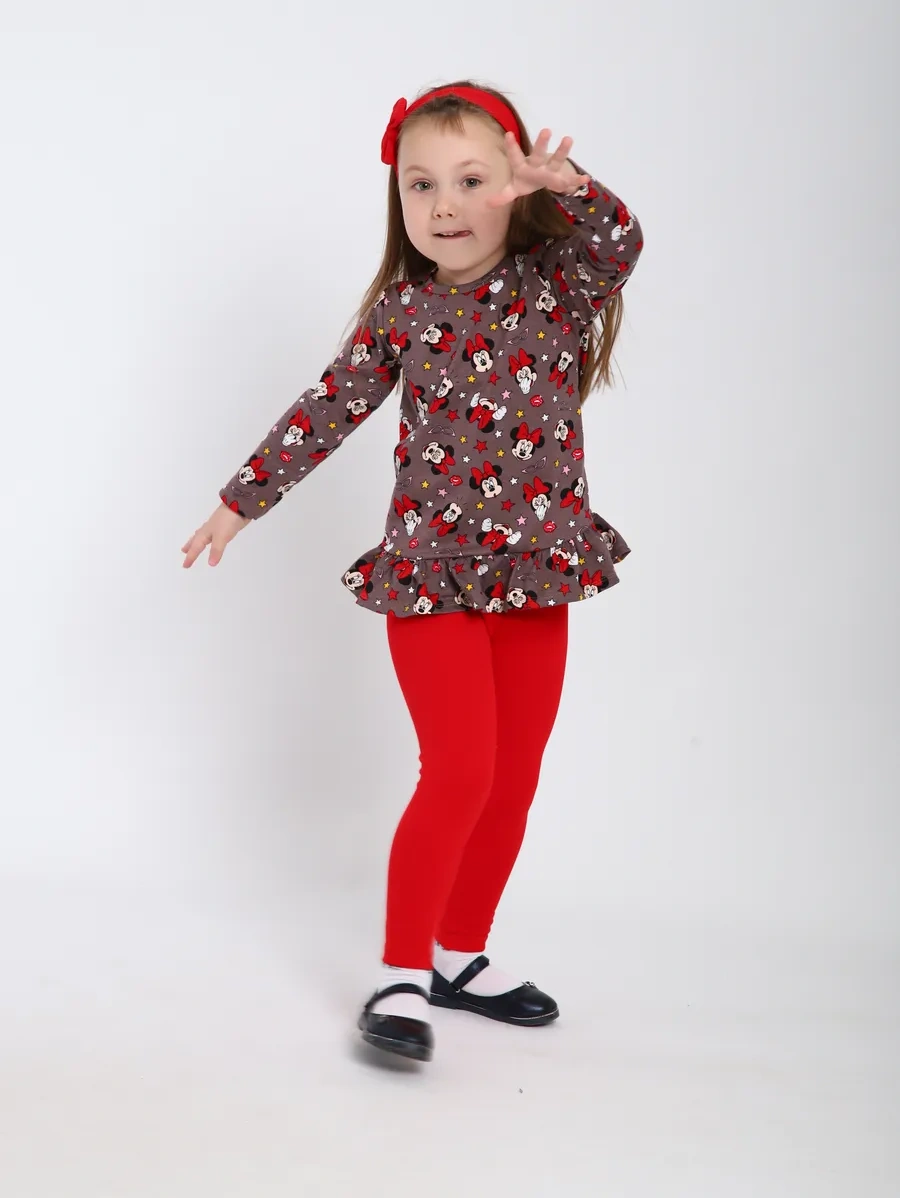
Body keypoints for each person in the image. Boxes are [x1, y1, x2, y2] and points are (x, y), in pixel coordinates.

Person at [182, 80, 644, 1064]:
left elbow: (620, 247)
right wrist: (240, 500)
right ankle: (401, 971)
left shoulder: (557, 287)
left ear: (516, 185)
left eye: (472, 180)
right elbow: (329, 406)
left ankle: (460, 954)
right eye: (420, 184)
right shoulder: (405, 309)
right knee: (461, 770)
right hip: (430, 578)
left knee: (512, 782)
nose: (443, 204)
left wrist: (577, 187)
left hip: (535, 573)